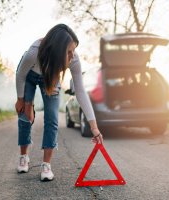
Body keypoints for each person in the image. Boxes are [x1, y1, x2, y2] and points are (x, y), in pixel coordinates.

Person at [15, 24, 104, 181]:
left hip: (51, 77)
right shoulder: (33, 52)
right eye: (68, 52)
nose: (72, 55)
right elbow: (20, 75)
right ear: (57, 49)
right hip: (29, 76)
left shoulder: (73, 59)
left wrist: (94, 127)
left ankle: (46, 165)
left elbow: (81, 92)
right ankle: (24, 157)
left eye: (74, 50)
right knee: (25, 117)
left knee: (52, 118)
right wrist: (21, 100)